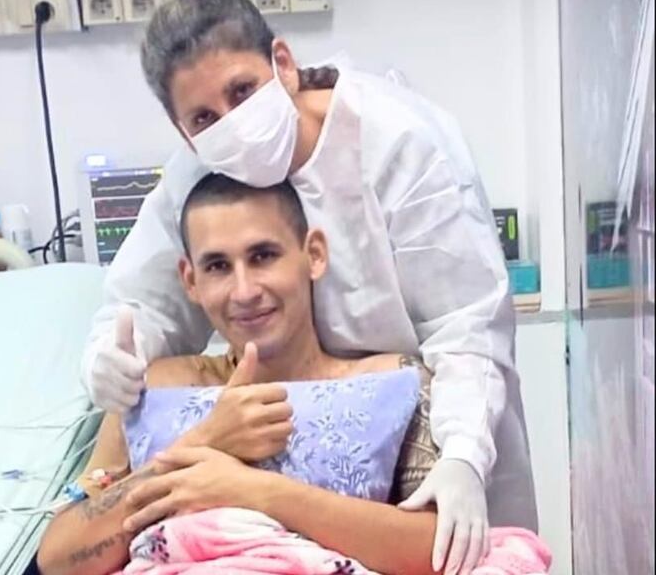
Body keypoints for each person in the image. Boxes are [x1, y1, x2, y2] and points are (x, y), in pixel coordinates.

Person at [81, 0, 537, 574]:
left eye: (242, 91)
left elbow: (467, 325)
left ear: (284, 64)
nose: (229, 124)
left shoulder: (398, 143)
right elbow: (144, 302)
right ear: (182, 130)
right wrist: (114, 355)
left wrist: (465, 453)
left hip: (421, 434)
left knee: (461, 549)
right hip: (258, 461)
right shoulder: (196, 176)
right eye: (203, 118)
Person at [38, 175, 441, 575]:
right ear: (191, 281)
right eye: (218, 266)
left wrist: (255, 491)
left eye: (263, 256)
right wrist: (207, 440)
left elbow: (441, 551)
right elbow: (57, 560)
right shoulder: (151, 389)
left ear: (314, 255)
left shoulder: (394, 383)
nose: (244, 291)